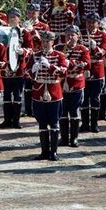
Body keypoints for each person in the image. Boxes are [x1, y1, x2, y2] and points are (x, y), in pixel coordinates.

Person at [26, 31, 68, 161]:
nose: (44, 44)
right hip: (38, 91)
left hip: (54, 92)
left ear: (52, 42)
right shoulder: (35, 56)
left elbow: (63, 72)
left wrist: (49, 66)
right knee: (42, 123)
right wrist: (32, 70)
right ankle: (44, 151)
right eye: (43, 41)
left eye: (47, 41)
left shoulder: (59, 55)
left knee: (54, 122)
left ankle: (54, 152)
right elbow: (26, 73)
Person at [56, 25, 90, 148]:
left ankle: (74, 138)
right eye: (67, 35)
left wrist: (70, 63)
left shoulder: (83, 49)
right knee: (63, 112)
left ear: (78, 36)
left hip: (76, 82)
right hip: (62, 83)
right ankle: (64, 138)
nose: (69, 37)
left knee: (74, 111)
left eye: (72, 35)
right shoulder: (59, 48)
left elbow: (86, 65)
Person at [80, 13, 106, 134]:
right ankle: (85, 123)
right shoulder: (81, 33)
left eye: (93, 22)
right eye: (89, 22)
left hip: (97, 69)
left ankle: (94, 123)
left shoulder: (102, 34)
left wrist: (95, 47)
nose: (91, 24)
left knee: (95, 98)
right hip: (84, 69)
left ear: (97, 23)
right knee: (84, 98)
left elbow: (103, 52)